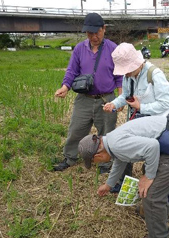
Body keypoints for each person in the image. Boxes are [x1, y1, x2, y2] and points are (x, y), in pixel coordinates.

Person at [78, 115, 169, 238]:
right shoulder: (111, 141)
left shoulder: (117, 144)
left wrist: (149, 176)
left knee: (153, 194)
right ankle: (155, 214)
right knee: (149, 175)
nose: (97, 164)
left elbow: (152, 146)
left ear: (97, 156)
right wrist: (109, 185)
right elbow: (121, 159)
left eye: (93, 162)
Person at [53, 13, 122, 172]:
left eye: (97, 32)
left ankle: (105, 163)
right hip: (84, 98)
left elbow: (120, 76)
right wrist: (65, 87)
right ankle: (70, 157)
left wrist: (120, 99)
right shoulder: (79, 48)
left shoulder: (113, 48)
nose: (94, 36)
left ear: (104, 29)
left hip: (106, 99)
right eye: (90, 33)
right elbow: (71, 71)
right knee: (76, 129)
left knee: (106, 132)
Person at [103, 42, 169, 192]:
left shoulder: (154, 74)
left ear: (137, 62)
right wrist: (114, 104)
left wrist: (141, 107)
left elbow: (164, 104)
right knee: (125, 150)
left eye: (127, 69)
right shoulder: (128, 76)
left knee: (154, 155)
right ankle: (122, 182)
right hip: (136, 121)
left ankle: (153, 188)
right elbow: (125, 96)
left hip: (156, 124)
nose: (126, 73)